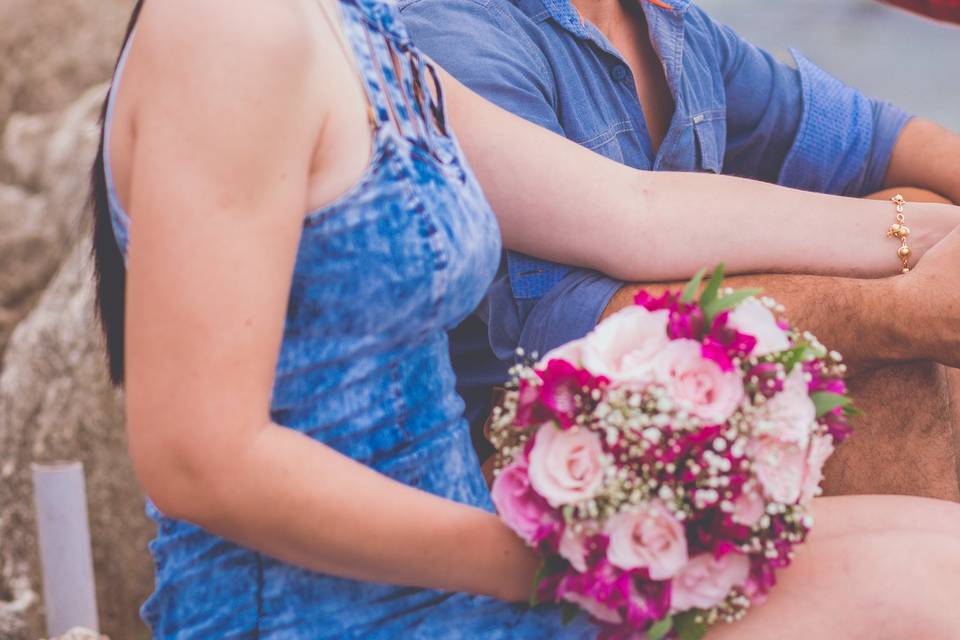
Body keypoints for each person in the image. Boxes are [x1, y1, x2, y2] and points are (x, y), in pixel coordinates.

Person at [92, 0, 960, 637]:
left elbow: (636, 209)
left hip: (472, 569)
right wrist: (557, 558)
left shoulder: (355, 34)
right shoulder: (233, 31)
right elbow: (197, 459)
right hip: (333, 611)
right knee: (930, 590)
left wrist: (922, 236)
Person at [398, 0, 960, 500]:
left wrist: (917, 243)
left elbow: (868, 139)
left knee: (915, 211)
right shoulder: (454, 35)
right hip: (522, 453)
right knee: (889, 352)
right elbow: (568, 334)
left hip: (652, 386)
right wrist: (895, 311)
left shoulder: (666, 21)